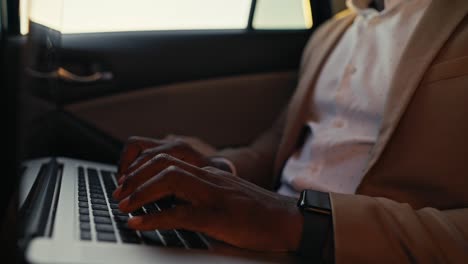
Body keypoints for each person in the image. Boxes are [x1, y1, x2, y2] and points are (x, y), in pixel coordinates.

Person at [113, 0, 468, 262]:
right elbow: (275, 145)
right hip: (257, 238)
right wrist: (217, 168)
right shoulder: (329, 35)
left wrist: (302, 223)